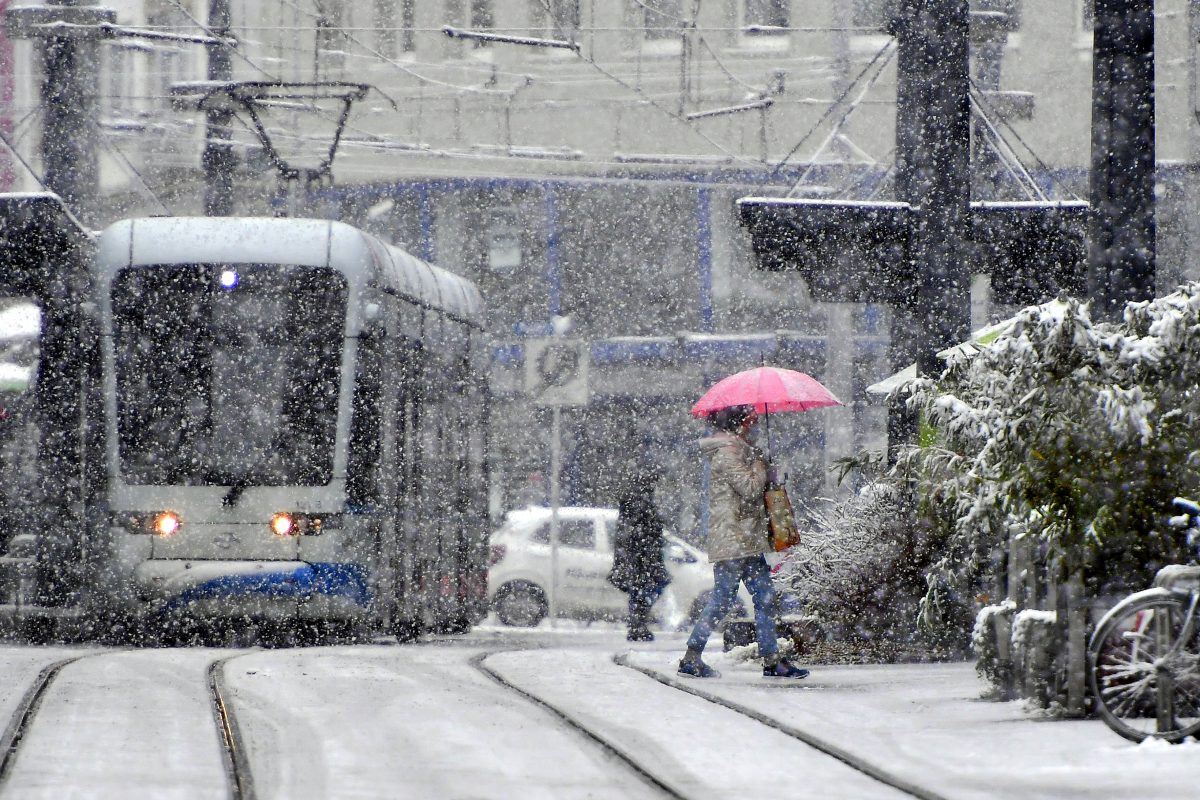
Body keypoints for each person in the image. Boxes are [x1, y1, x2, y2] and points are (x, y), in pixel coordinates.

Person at [678, 404, 808, 679]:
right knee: (723, 600)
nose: (755, 427)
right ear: (739, 425)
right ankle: (691, 656)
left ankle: (771, 660)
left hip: (747, 540)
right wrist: (761, 465)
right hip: (734, 540)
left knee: (765, 597)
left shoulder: (740, 451)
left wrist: (764, 468)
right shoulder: (727, 453)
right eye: (752, 422)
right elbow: (749, 489)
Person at [609, 462, 670, 642]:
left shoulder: (635, 500)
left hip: (640, 556)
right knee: (645, 590)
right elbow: (640, 530)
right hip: (642, 556)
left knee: (643, 590)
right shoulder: (639, 502)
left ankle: (637, 623)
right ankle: (637, 624)